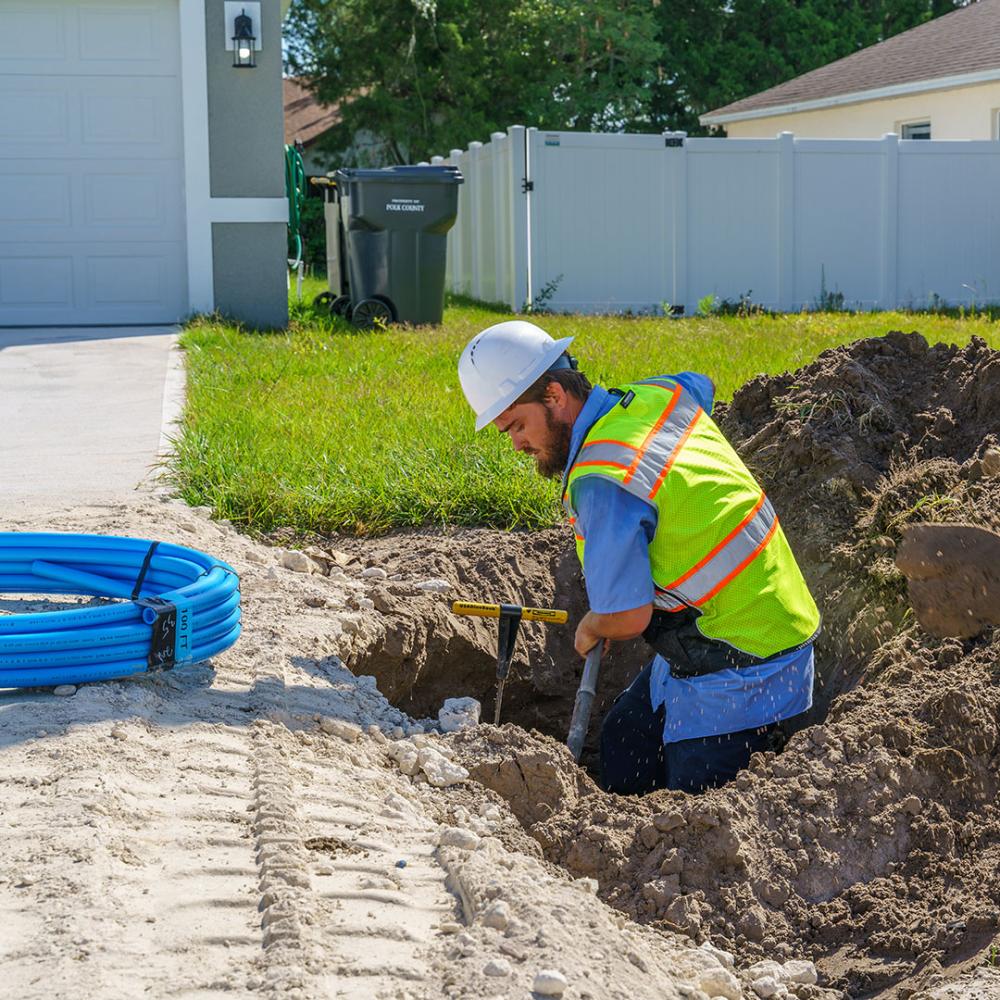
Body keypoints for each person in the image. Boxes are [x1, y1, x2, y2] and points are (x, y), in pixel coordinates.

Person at [457, 319, 821, 795]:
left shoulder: (602, 481)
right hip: (749, 617)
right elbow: (700, 385)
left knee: (692, 805)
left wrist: (594, 625)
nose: (516, 444)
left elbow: (628, 616)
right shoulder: (655, 397)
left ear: (554, 396)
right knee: (623, 739)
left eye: (518, 425)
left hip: (746, 660)